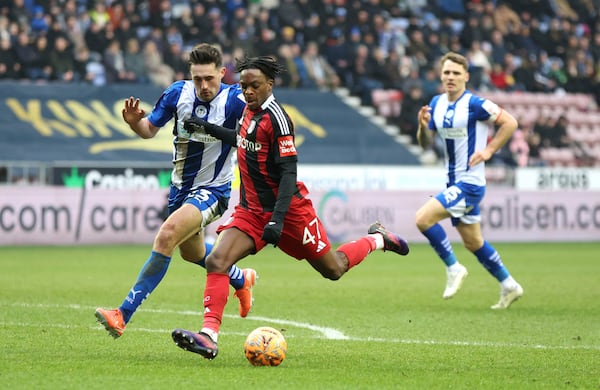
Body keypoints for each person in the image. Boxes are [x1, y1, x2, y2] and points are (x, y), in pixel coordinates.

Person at [170, 56, 410, 360]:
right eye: (243, 85)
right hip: (252, 211)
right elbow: (242, 139)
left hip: (291, 213)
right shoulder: (247, 111)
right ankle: (208, 337)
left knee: (334, 269)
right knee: (217, 260)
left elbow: (288, 174)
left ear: (270, 84)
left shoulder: (279, 119)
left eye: (254, 86)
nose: (247, 91)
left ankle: (378, 238)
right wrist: (208, 128)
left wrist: (278, 221)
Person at [95, 43, 257, 339]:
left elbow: (252, 138)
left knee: (167, 234)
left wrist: (213, 130)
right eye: (198, 79)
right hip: (180, 191)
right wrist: (134, 123)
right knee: (192, 253)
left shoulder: (235, 100)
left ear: (222, 73)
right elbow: (149, 129)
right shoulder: (176, 94)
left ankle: (122, 314)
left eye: (209, 78)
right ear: (189, 76)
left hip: (214, 190)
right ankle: (240, 278)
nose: (204, 86)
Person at [415, 52, 524, 310]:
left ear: (466, 76)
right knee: (473, 242)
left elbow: (510, 122)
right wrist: (421, 127)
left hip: (471, 183)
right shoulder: (436, 103)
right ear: (441, 76)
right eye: (446, 73)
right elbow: (425, 144)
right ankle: (509, 284)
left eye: (455, 73)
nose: (450, 77)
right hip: (453, 183)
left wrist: (489, 151)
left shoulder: (476, 104)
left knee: (423, 218)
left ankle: (454, 268)